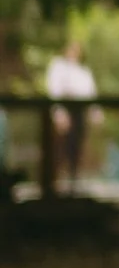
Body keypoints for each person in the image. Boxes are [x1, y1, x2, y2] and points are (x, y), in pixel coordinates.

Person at [42, 35, 98, 190]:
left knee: (77, 144)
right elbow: (54, 90)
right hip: (66, 108)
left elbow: (90, 92)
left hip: (80, 110)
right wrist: (59, 112)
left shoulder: (83, 71)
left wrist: (95, 112)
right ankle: (56, 180)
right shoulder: (58, 66)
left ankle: (74, 176)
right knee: (62, 145)